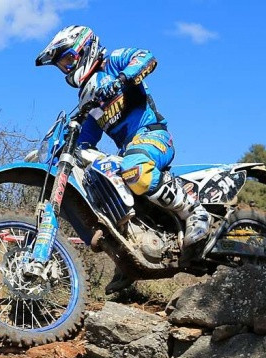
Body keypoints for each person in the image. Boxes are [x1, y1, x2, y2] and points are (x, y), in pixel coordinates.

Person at [35, 25, 212, 293]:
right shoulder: (87, 98)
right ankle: (129, 259)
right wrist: (64, 149)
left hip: (152, 136)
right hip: (128, 149)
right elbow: (86, 138)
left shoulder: (113, 61)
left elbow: (146, 57)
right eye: (62, 65)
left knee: (134, 169)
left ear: (85, 48)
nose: (67, 68)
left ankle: (195, 211)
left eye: (69, 59)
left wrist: (121, 80)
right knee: (100, 185)